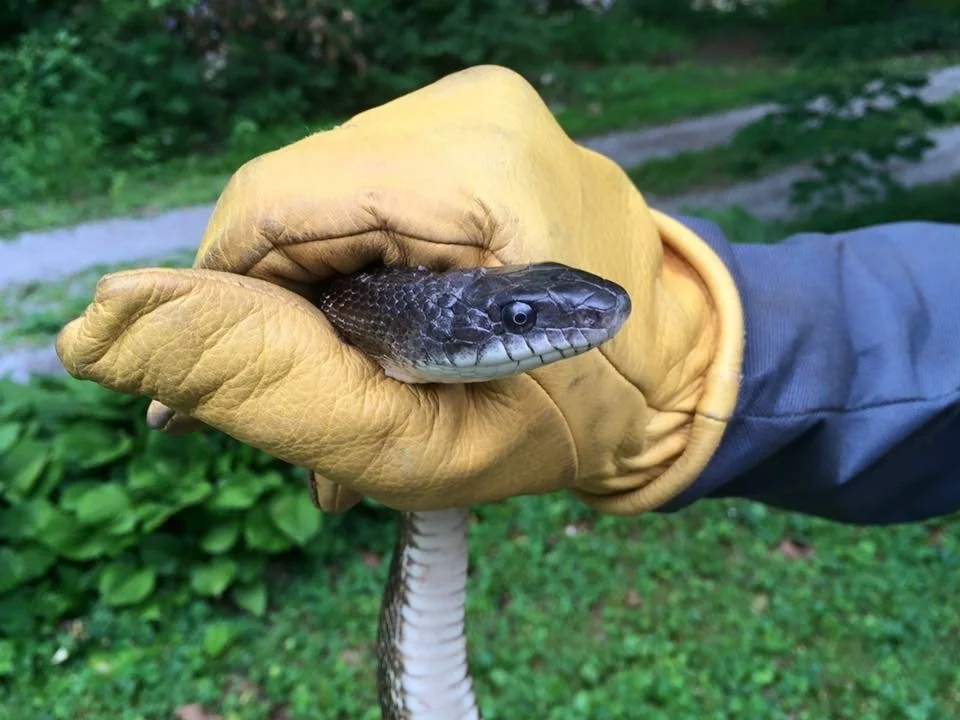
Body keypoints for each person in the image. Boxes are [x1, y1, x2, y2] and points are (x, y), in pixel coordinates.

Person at [55, 65, 960, 526]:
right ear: (446, 325)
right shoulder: (400, 323)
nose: (594, 322)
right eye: (520, 316)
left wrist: (694, 356)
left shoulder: (474, 320)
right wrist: (724, 333)